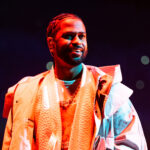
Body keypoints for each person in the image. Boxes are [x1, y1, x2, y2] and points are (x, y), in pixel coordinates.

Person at [2, 13, 147, 150]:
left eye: (82, 36)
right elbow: (10, 143)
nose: (78, 42)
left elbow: (133, 143)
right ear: (51, 44)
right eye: (69, 36)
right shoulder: (25, 93)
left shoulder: (109, 91)